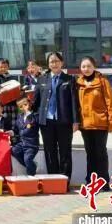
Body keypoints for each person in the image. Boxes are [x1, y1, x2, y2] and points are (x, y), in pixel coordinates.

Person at [33, 51, 79, 182]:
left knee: (65, 151)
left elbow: (74, 101)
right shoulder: (42, 79)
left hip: (64, 121)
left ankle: (64, 181)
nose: (54, 64)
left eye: (57, 61)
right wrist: (35, 117)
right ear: (48, 64)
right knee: (49, 151)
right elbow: (36, 101)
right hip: (46, 122)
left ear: (62, 63)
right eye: (51, 62)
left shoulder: (69, 79)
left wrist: (75, 121)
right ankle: (52, 180)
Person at [77, 56, 112, 187]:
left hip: (100, 123)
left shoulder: (102, 81)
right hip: (85, 124)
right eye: (83, 66)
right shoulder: (78, 83)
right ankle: (91, 181)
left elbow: (110, 102)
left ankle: (104, 182)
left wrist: (111, 122)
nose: (86, 69)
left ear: (94, 67)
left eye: (89, 66)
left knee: (101, 153)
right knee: (90, 154)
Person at [11, 97, 40, 176]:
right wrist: (11, 132)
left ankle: (31, 175)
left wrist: (29, 114)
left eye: (25, 105)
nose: (23, 107)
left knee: (27, 159)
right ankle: (33, 166)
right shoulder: (19, 117)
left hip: (31, 144)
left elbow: (30, 128)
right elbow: (16, 129)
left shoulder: (35, 116)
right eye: (21, 106)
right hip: (22, 143)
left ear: (29, 104)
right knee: (14, 150)